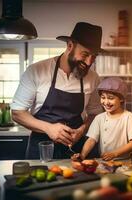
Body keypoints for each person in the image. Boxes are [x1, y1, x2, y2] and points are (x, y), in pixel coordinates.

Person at [11, 22, 105, 159]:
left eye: (94, 57)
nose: (89, 62)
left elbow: (95, 114)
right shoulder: (36, 71)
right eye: (85, 54)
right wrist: (49, 128)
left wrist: (81, 130)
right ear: (70, 45)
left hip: (76, 150)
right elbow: (17, 113)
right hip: (41, 149)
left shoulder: (93, 78)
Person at [72, 77, 132, 161]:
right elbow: (91, 140)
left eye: (111, 98)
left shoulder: (128, 117)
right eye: (103, 97)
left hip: (125, 161)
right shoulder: (99, 118)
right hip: (104, 162)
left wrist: (115, 153)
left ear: (121, 99)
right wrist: (82, 155)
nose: (106, 102)